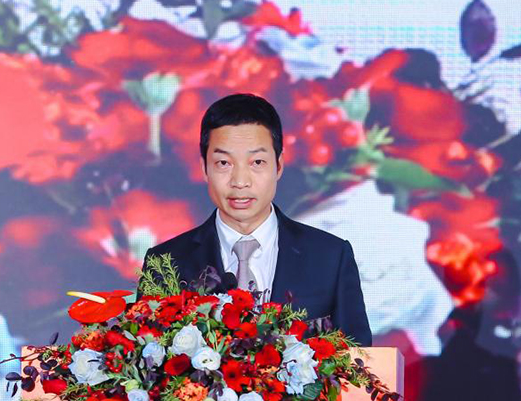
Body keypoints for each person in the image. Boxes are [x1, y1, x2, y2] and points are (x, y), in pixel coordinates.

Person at [140, 93, 373, 346]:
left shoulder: (330, 257)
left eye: (257, 162)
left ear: (279, 165)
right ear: (204, 168)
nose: (240, 181)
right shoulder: (165, 263)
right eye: (224, 163)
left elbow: (359, 358)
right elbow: (145, 355)